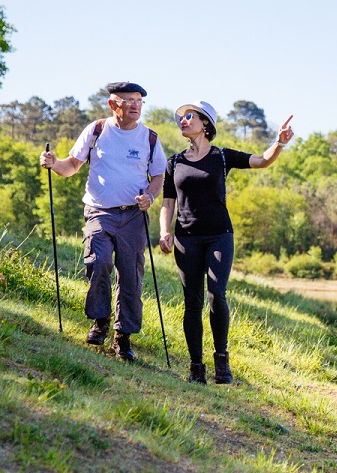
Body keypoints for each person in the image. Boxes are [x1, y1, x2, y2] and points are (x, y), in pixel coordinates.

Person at [158, 100, 294, 385]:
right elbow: (167, 203)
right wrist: (164, 231)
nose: (183, 120)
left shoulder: (222, 157)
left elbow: (261, 161)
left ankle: (222, 360)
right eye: (181, 117)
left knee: (216, 294)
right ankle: (196, 367)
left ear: (205, 124)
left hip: (220, 235)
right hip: (187, 239)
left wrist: (278, 144)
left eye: (190, 116)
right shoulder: (174, 162)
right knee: (192, 303)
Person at [40, 81, 167, 361]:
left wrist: (150, 196)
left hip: (133, 215)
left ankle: (123, 337)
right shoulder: (97, 130)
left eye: (139, 101)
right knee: (98, 262)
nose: (135, 106)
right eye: (129, 100)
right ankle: (100, 321)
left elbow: (158, 177)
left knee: (131, 277)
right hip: (99, 211)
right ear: (113, 105)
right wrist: (53, 163)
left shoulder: (150, 138)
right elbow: (72, 165)